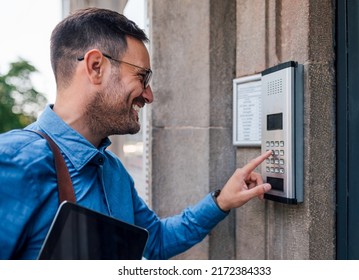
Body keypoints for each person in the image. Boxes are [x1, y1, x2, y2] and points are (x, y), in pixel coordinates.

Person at [0, 7, 272, 260]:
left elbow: (155, 242)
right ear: (96, 67)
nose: (149, 95)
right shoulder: (15, 160)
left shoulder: (113, 171)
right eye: (142, 77)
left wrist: (221, 201)